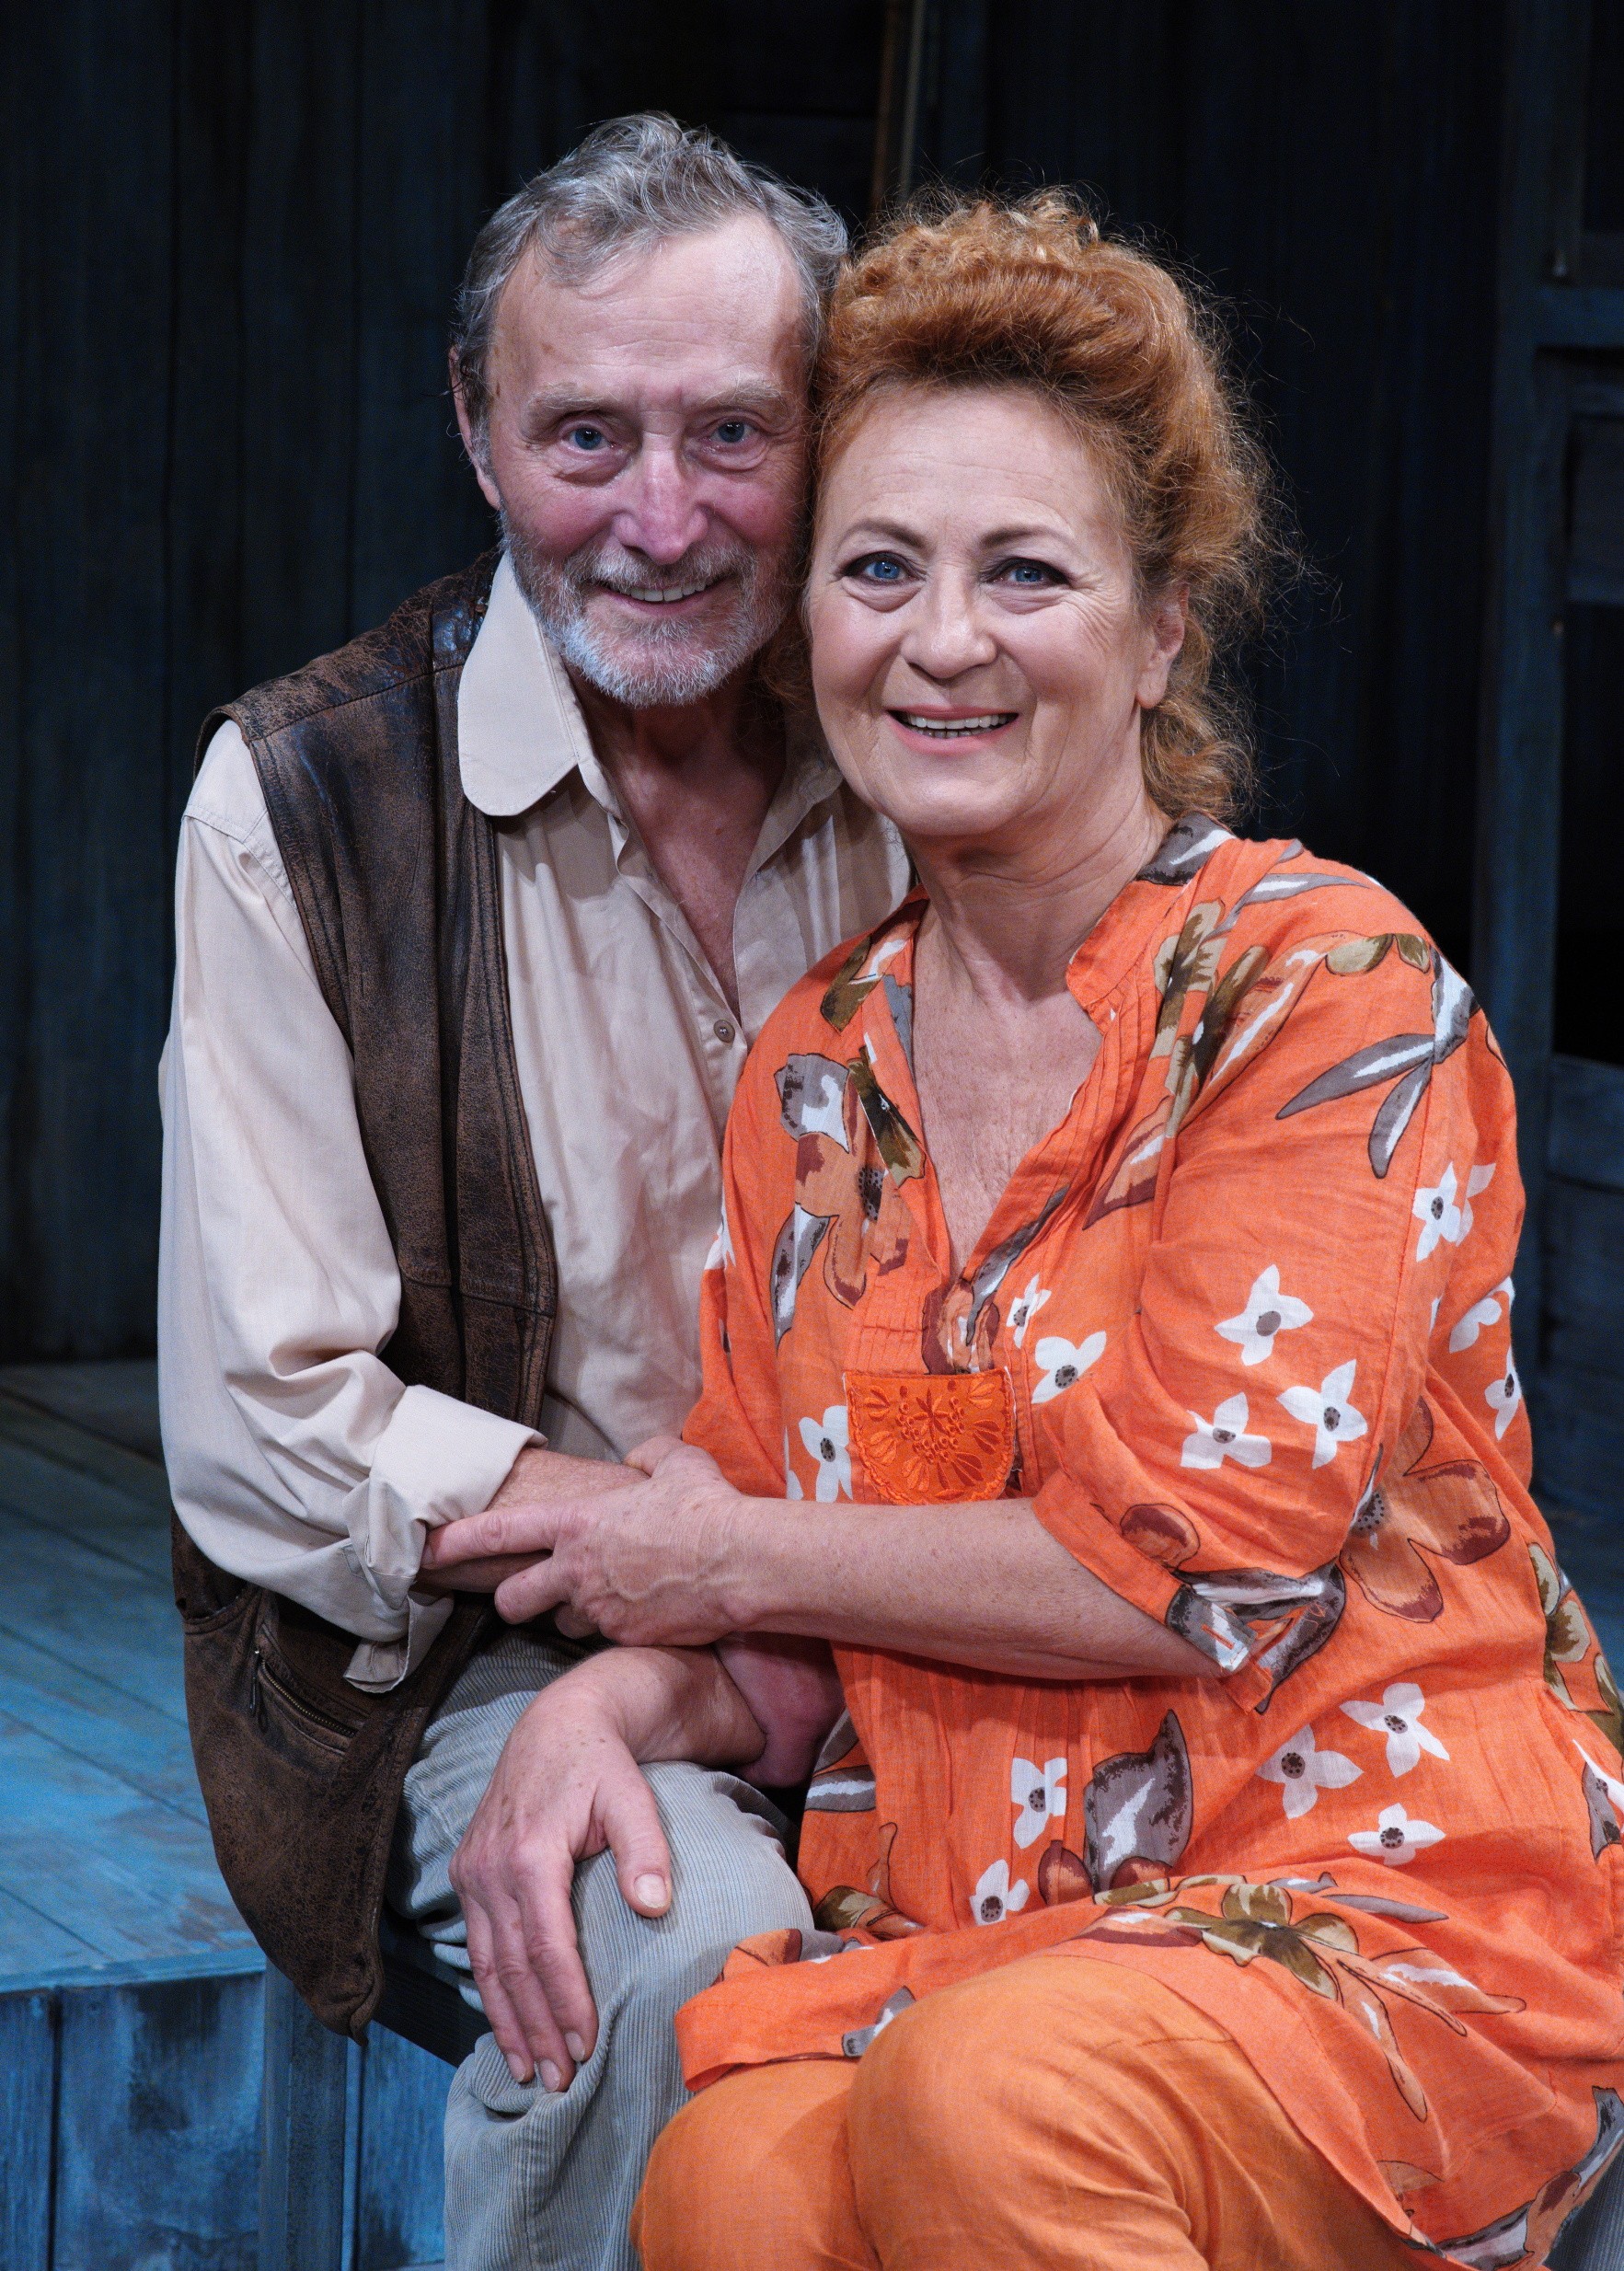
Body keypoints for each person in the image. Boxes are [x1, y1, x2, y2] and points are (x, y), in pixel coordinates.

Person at [423, 194, 1624, 2269]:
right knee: (729, 2178)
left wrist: (712, 1554)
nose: (942, 638)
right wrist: (604, 1706)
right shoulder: (816, 1070)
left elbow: (1196, 1567)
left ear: (1161, 633)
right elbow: (794, 1635)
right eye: (878, 568)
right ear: (808, 620)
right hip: (983, 1934)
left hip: (1363, 1907)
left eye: (1026, 572)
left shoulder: (1318, 989)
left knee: (997, 2101)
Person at [157, 115, 907, 2271]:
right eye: (587, 436)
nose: (662, 519)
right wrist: (672, 1558)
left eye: (732, 434)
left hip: (930, 1586)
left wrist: (798, 1572)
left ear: (823, 431)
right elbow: (275, 1425)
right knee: (682, 1962)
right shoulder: (304, 798)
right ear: (475, 433)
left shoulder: (928, 730)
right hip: (489, 1647)